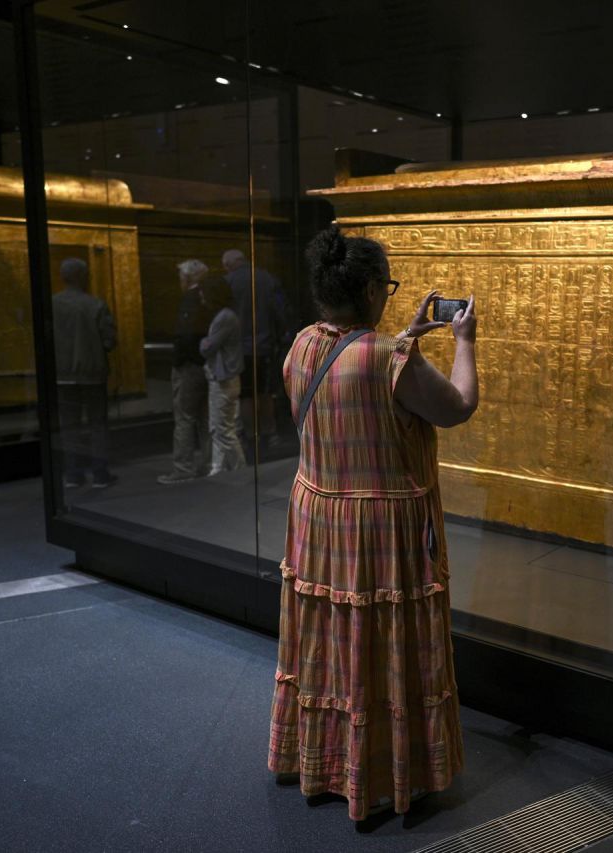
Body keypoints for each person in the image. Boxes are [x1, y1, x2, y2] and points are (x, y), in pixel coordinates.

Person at [267, 226, 478, 821]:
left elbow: (349, 373)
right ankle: (386, 771)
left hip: (318, 520)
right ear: (365, 289)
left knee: (329, 643)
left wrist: (404, 337)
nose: (387, 295)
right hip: (378, 531)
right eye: (384, 286)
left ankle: (323, 761)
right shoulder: (390, 360)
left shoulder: (303, 345)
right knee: (380, 645)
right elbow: (458, 405)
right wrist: (464, 340)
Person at [52, 257, 117, 489]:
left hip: (61, 374)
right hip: (92, 374)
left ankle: (73, 474)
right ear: (83, 277)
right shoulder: (96, 305)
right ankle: (100, 474)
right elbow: (109, 341)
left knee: (69, 426)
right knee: (97, 425)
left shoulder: (51, 304)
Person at [223, 248, 287, 450]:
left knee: (246, 394)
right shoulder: (267, 278)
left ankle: (252, 435)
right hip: (265, 345)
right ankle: (270, 432)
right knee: (266, 392)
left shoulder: (228, 282)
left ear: (229, 265)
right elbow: (280, 311)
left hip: (240, 348)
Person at [158, 259, 212, 484]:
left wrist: (179, 361)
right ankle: (209, 463)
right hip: (204, 364)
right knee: (204, 418)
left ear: (189, 278)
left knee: (185, 417)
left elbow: (186, 335)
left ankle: (183, 467)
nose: (179, 281)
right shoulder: (207, 297)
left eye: (181, 277)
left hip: (189, 366)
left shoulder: (189, 300)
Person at [198, 275, 245, 475]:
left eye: (203, 292)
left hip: (224, 379)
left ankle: (238, 468)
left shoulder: (224, 317)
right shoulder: (225, 315)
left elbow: (207, 347)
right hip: (225, 378)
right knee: (219, 427)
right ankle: (219, 467)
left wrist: (203, 343)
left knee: (223, 429)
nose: (201, 296)